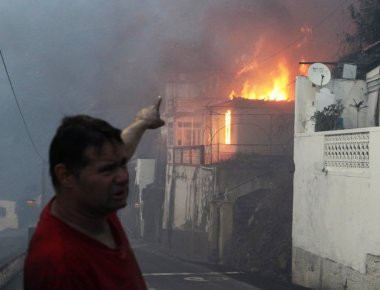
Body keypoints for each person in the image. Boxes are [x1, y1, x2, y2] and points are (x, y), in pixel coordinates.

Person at [24, 97, 165, 290]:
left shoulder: (94, 206)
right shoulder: (59, 265)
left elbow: (120, 150)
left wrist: (142, 122)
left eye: (122, 164)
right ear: (66, 175)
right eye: (108, 170)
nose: (123, 176)